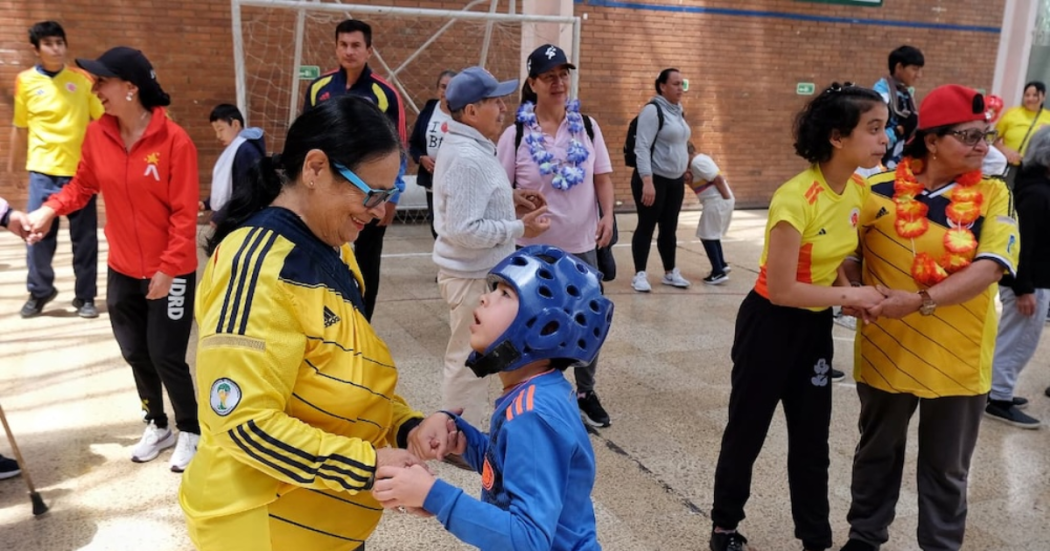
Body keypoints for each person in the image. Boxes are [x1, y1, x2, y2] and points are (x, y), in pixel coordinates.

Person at [179, 95, 459, 551]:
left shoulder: (337, 250)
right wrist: (369, 467)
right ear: (315, 168)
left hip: (325, 522)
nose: (380, 210)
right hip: (265, 529)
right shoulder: (255, 266)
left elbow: (341, 372)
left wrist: (405, 427)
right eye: (372, 193)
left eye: (388, 195)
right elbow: (242, 424)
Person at [709, 83, 889, 551]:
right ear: (837, 137)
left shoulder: (858, 190)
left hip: (814, 328)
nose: (884, 139)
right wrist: (853, 294)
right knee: (747, 431)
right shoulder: (795, 198)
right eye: (873, 129)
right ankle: (724, 527)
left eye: (884, 128)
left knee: (812, 440)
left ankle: (815, 537)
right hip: (768, 325)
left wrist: (848, 290)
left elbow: (841, 253)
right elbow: (783, 288)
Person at [840, 85, 1019, 551]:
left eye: (986, 136)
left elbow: (991, 266)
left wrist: (920, 300)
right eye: (970, 136)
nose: (983, 146)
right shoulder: (875, 189)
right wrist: (852, 288)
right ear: (933, 140)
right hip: (886, 350)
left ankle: (940, 545)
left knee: (947, 469)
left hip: (959, 359)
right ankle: (864, 537)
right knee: (877, 454)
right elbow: (845, 252)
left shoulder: (994, 195)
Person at [26, 47, 201, 472]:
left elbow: (184, 214)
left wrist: (168, 269)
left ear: (130, 87)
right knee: (135, 352)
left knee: (165, 354)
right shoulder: (97, 135)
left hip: (170, 270)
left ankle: (191, 429)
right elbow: (81, 186)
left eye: (102, 81)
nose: (95, 89)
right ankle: (157, 424)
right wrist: (49, 209)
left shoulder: (175, 141)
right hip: (121, 267)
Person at [372, 244, 614, 551]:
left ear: (547, 328)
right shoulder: (538, 389)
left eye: (506, 294)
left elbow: (527, 540)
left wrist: (432, 494)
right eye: (495, 289)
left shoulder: (533, 414)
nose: (486, 298)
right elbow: (514, 466)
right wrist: (465, 439)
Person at [497, 43, 615, 428]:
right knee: (534, 324)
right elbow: (500, 192)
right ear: (532, 83)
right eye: (549, 77)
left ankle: (585, 391)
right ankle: (536, 394)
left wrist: (608, 215)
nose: (559, 83)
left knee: (587, 322)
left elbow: (602, 177)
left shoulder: (588, 127)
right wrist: (517, 201)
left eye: (563, 75)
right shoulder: (515, 134)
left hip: (582, 245)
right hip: (534, 251)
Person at [432, 66, 550, 428]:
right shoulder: (468, 158)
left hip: (477, 274)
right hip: (471, 278)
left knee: (477, 355)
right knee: (468, 360)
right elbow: (464, 230)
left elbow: (471, 202)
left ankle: (467, 429)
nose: (503, 108)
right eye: (495, 102)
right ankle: (456, 435)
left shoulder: (473, 147)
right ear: (471, 111)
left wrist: (509, 198)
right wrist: (520, 227)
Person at [303, 19, 407, 321]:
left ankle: (362, 323)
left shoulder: (385, 93)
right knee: (319, 252)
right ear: (336, 47)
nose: (349, 51)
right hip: (327, 191)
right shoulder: (319, 88)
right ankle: (322, 320)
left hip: (370, 193)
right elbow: (306, 138)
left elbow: (398, 147)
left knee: (366, 260)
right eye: (344, 45)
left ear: (369, 50)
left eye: (356, 45)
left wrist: (392, 196)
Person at [8, 21, 103, 319]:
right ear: (36, 49)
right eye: (48, 43)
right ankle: (39, 291)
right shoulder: (25, 81)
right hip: (42, 172)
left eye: (59, 42)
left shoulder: (82, 79)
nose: (56, 48)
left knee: (85, 240)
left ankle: (85, 296)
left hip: (80, 174)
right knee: (36, 236)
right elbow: (20, 126)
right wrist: (13, 168)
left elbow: (103, 121)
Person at [984, 125, 1050, 429]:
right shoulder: (1037, 194)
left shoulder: (1035, 186)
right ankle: (999, 397)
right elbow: (1022, 243)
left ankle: (996, 388)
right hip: (1028, 284)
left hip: (1033, 281)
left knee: (1016, 338)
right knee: (1019, 341)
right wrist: (1024, 289)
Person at [631, 68, 692, 292]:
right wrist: (647, 181)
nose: (680, 88)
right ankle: (639, 274)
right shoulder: (652, 110)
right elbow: (642, 147)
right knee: (646, 226)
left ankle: (670, 271)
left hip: (675, 180)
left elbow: (681, 142)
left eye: (682, 84)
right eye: (675, 84)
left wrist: (685, 167)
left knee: (669, 228)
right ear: (662, 86)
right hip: (653, 179)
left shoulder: (678, 110)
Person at [409, 69, 456, 239]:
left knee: (453, 228)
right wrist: (421, 158)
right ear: (437, 89)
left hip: (454, 182)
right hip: (432, 182)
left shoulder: (462, 114)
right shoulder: (429, 110)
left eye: (451, 88)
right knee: (437, 228)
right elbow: (414, 143)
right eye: (443, 87)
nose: (446, 92)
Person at [201, 103, 265, 225]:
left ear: (235, 124)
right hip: (234, 216)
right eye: (216, 131)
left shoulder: (246, 151)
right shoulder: (236, 148)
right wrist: (207, 203)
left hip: (243, 219)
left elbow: (246, 190)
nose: (218, 136)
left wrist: (221, 216)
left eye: (221, 129)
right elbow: (229, 183)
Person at [685, 142, 734, 285]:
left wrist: (725, 197)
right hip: (715, 201)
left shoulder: (697, 162)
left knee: (706, 235)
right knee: (711, 234)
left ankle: (718, 271)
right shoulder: (695, 163)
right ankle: (721, 265)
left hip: (716, 201)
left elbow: (718, 179)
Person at [873, 45, 924, 169]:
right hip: (880, 164)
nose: (919, 75)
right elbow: (872, 134)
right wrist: (898, 131)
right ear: (899, 67)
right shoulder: (881, 95)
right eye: (915, 69)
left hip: (900, 162)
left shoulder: (905, 93)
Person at [994, 81, 1050, 171]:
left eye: (1035, 95)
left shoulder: (1048, 117)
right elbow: (992, 139)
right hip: (1011, 165)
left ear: (1043, 96)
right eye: (1027, 95)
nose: (1030, 98)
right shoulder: (1011, 113)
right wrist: (1005, 150)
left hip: (1038, 169)